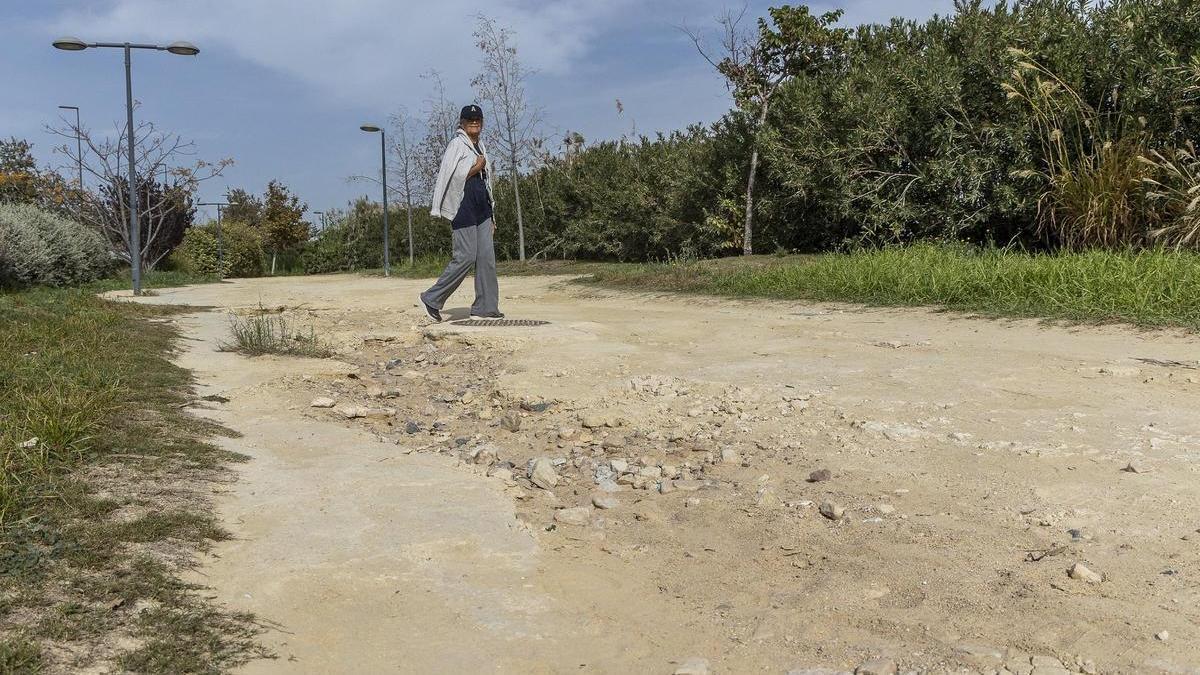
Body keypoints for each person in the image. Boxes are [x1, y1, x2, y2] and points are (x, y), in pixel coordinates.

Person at [419, 104, 503, 322]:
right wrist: (475, 167)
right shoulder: (456, 145)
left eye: (478, 119)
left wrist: (492, 215)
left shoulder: (481, 147)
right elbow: (449, 176)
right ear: (462, 124)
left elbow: (487, 183)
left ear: (482, 123)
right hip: (463, 207)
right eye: (470, 120)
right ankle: (431, 298)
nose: (474, 122)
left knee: (486, 258)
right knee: (465, 256)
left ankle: (486, 308)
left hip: (483, 209)